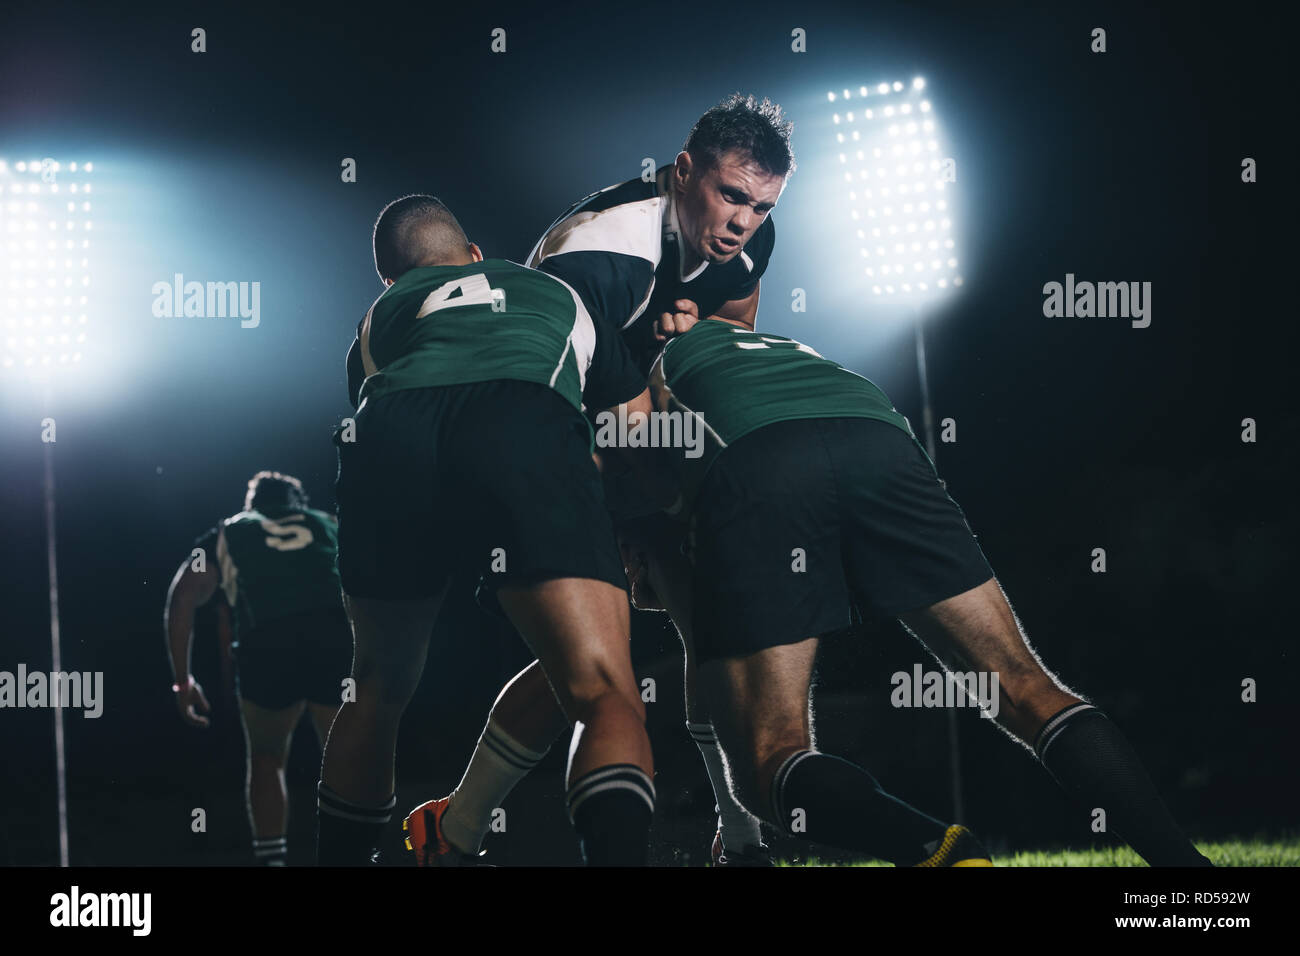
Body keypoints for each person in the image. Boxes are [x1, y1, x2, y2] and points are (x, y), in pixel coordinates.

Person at [404, 92, 794, 866]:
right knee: (592, 667)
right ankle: (456, 829)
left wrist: (688, 370)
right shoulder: (599, 253)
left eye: (760, 204)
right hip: (563, 442)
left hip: (644, 438)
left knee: (699, 624)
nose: (744, 220)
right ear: (683, 172)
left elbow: (735, 330)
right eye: (729, 195)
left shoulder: (751, 238)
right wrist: (620, 506)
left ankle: (741, 838)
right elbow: (545, 383)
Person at [319, 194, 656, 866]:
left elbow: (381, 392)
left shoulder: (376, 316)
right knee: (602, 690)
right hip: (521, 420)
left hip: (390, 436)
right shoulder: (556, 291)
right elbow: (636, 428)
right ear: (475, 253)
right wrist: (615, 518)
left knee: (376, 689)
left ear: (392, 277)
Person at [165, 471, 351, 866]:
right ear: (296, 502)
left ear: (252, 504)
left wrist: (183, 681)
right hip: (332, 634)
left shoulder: (230, 531)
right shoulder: (328, 522)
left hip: (267, 641)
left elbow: (182, 596)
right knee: (343, 754)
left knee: (267, 757)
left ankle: (272, 860)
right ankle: (352, 852)